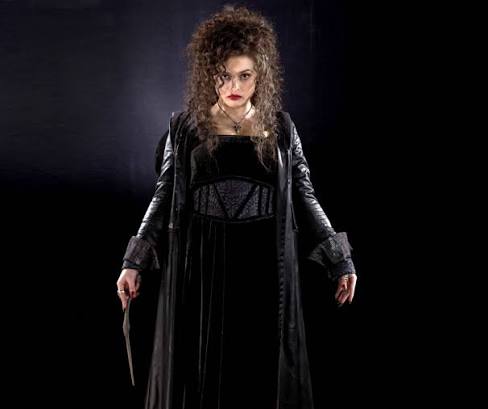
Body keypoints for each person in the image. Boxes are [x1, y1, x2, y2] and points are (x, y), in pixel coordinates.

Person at [116, 5, 357, 409]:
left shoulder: (281, 129)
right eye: (224, 75)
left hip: (262, 262)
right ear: (209, 74)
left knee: (258, 371)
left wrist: (340, 259)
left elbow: (304, 194)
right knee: (202, 371)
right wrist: (133, 261)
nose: (234, 85)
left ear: (260, 75)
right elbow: (163, 195)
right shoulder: (184, 128)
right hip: (203, 265)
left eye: (245, 75)